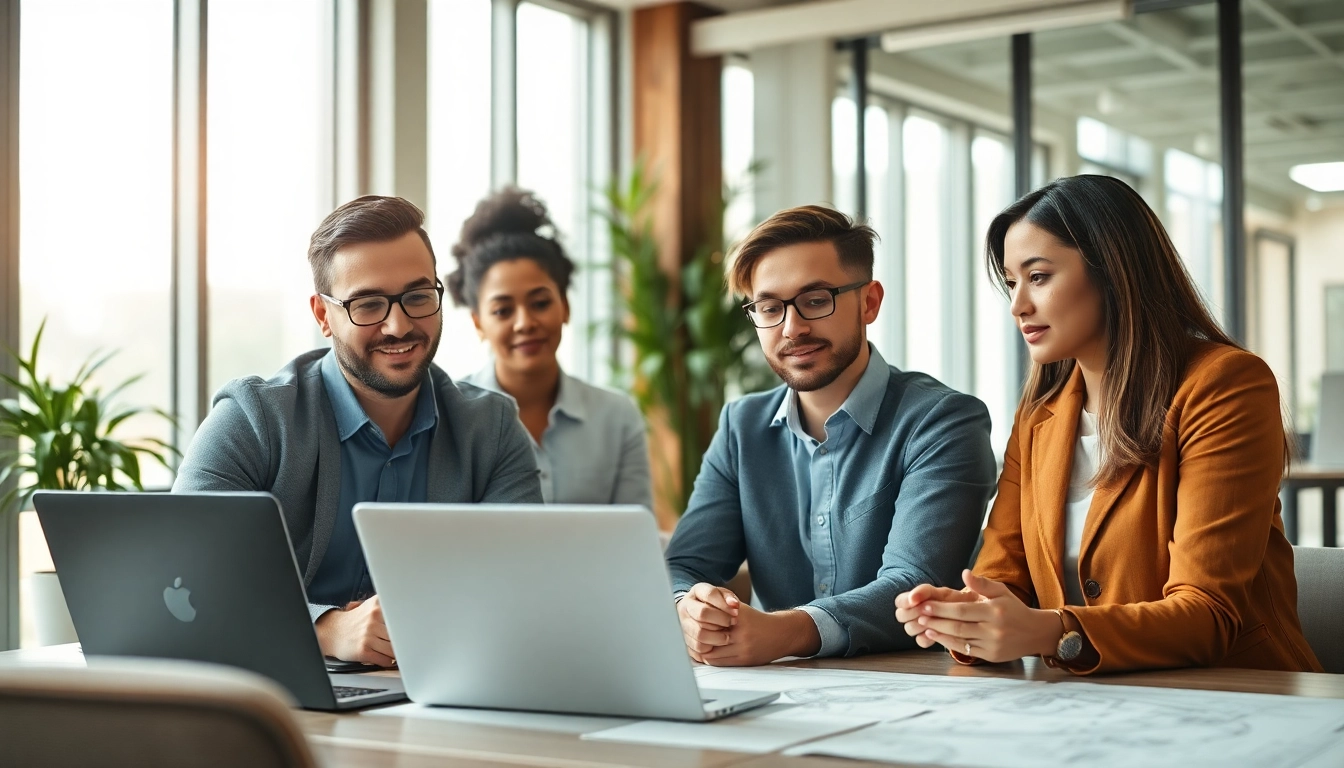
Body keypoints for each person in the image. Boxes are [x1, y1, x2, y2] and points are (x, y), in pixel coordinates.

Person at [895, 175, 1322, 674]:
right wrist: (967, 621)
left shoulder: (1224, 384)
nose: (1018, 306)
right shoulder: (1039, 416)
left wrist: (1052, 631)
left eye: (1038, 277)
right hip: (1090, 710)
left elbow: (1208, 614)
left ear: (1114, 271)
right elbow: (1002, 578)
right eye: (1011, 282)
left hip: (1238, 698)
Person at [174, 195, 542, 667]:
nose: (398, 325)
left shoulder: (491, 430)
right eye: (368, 304)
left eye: (417, 297)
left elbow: (521, 590)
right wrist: (326, 627)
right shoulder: (253, 420)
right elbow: (187, 578)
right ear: (323, 316)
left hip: (428, 698)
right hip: (267, 694)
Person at [666, 204, 998, 666]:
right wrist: (689, 608)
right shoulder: (740, 427)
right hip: (778, 694)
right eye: (769, 307)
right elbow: (682, 565)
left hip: (915, 686)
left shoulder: (943, 420)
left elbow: (914, 585)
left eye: (816, 300)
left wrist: (784, 632)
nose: (792, 327)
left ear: (869, 302)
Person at [450, 188, 653, 509]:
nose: (524, 323)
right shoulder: (448, 418)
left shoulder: (616, 418)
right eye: (503, 311)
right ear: (478, 323)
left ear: (566, 307)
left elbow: (636, 541)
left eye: (540, 303)